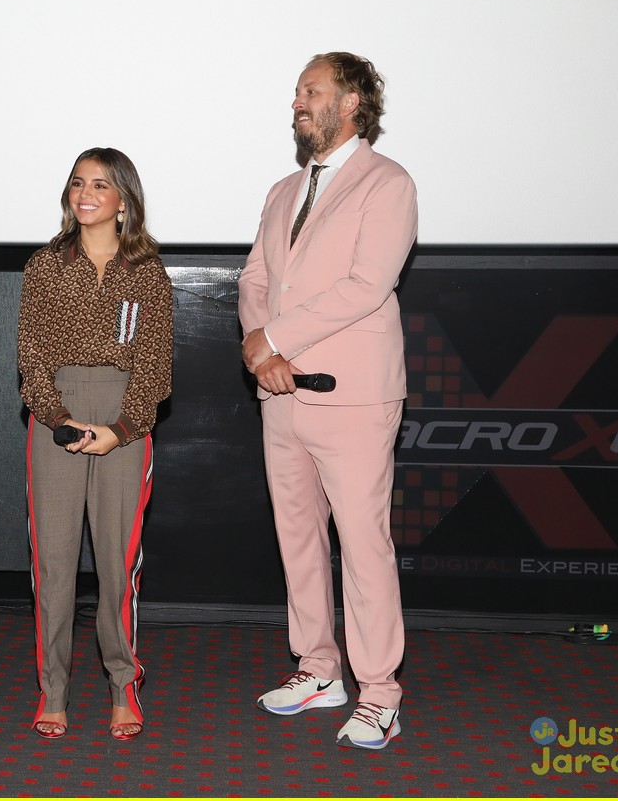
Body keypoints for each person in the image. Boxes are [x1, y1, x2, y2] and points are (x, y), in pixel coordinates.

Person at [237, 53, 418, 750]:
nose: (296, 103)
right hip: (279, 394)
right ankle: (319, 668)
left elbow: (366, 285)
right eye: (296, 92)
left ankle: (379, 692)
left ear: (350, 103)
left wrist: (274, 338)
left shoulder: (388, 182)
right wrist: (260, 347)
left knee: (364, 546)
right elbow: (256, 277)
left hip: (353, 396)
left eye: (309, 91)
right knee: (299, 540)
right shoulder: (286, 188)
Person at [17, 148, 173, 741]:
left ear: (123, 199)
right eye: (77, 182)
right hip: (54, 416)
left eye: (100, 184)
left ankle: (121, 685)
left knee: (116, 564)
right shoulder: (45, 266)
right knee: (53, 566)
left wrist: (122, 429)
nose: (85, 193)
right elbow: (31, 358)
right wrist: (57, 418)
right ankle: (52, 690)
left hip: (124, 417)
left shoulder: (147, 272)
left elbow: (155, 364)